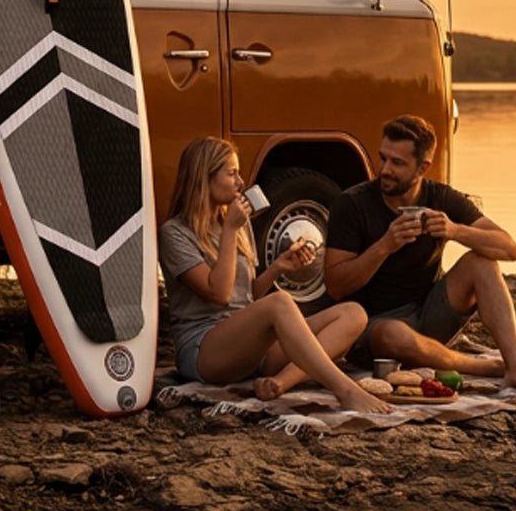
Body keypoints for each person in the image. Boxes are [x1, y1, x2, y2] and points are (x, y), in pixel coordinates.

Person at [323, 114, 516, 396]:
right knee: (391, 333)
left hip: (429, 313)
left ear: (423, 168)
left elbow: (509, 248)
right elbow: (335, 286)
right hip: (374, 329)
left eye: (397, 163)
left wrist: (455, 231)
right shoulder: (352, 204)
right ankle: (490, 367)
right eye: (383, 158)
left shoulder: (441, 197)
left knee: (481, 261)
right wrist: (384, 245)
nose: (385, 169)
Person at [160, 137, 391, 415]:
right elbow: (220, 295)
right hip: (205, 351)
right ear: (203, 177)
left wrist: (277, 268)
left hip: (250, 351)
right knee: (280, 302)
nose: (240, 182)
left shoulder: (234, 224)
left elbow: (246, 299)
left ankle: (280, 382)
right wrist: (231, 231)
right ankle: (345, 390)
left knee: (353, 314)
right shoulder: (175, 233)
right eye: (231, 173)